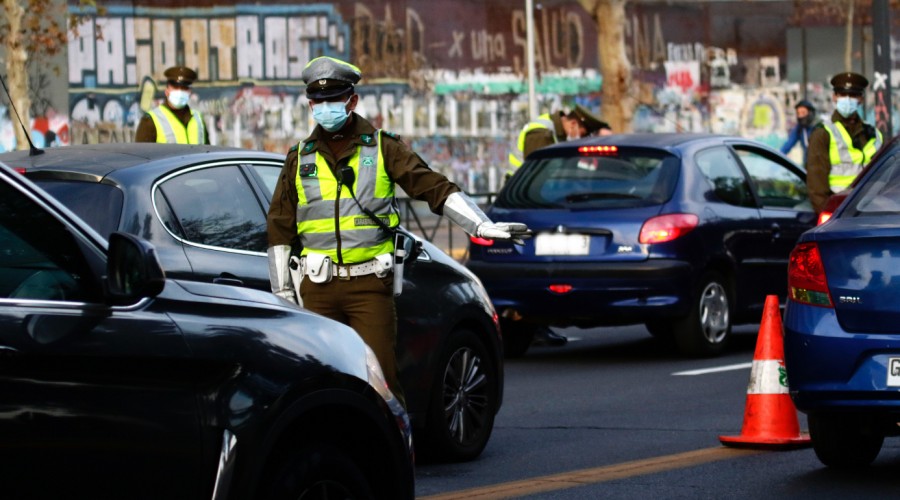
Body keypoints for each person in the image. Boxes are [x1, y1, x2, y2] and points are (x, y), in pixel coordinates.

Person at [266, 56, 530, 404]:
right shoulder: (300, 157)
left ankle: (394, 456)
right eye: (319, 103)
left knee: (380, 382)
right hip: (316, 290)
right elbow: (279, 226)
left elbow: (431, 186)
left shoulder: (383, 147)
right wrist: (284, 295)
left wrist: (479, 223)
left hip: (368, 287)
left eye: (334, 101)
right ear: (310, 105)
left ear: (352, 101)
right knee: (320, 386)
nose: (325, 109)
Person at [805, 72, 883, 214]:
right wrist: (827, 215)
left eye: (853, 95)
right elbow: (816, 184)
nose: (848, 99)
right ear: (834, 97)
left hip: (871, 211)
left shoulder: (874, 134)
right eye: (842, 94)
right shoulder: (823, 133)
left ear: (861, 99)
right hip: (839, 211)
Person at [507, 104, 608, 171]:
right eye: (583, 135)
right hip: (519, 197)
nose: (582, 139)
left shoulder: (560, 134)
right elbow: (538, 175)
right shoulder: (542, 134)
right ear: (573, 124)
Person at [134, 66, 210, 144]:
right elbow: (141, 154)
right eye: (175, 87)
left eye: (184, 88)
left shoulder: (198, 118)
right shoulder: (150, 121)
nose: (180, 91)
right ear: (167, 91)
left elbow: (208, 152)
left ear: (190, 92)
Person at [780, 100, 817, 165]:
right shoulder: (800, 129)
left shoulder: (820, 127)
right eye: (798, 113)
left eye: (803, 113)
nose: (800, 116)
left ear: (810, 113)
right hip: (808, 167)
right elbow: (787, 146)